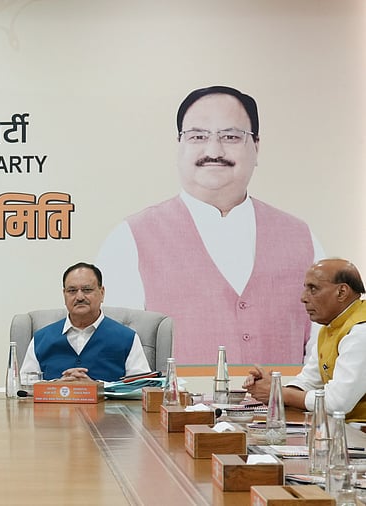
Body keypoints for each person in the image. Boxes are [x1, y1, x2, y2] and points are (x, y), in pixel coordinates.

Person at [96, 85, 323, 365]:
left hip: (284, 408)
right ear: (179, 145)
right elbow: (116, 354)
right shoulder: (129, 239)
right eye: (198, 136)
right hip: (173, 408)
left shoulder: (302, 238)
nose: (214, 150)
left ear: (256, 146)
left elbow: (325, 348)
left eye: (230, 136)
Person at [243, 259, 366, 422]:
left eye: (313, 289)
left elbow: (338, 403)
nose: (303, 298)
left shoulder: (360, 330)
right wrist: (273, 390)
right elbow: (309, 380)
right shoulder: (330, 328)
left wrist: (280, 393)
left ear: (342, 292)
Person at [21, 262, 151, 383]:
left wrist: (97, 389)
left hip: (108, 408)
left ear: (102, 293)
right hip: (54, 408)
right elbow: (23, 390)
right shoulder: (41, 339)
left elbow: (140, 389)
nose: (79, 297)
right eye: (72, 291)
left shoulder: (127, 338)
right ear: (64, 294)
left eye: (87, 290)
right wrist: (56, 387)